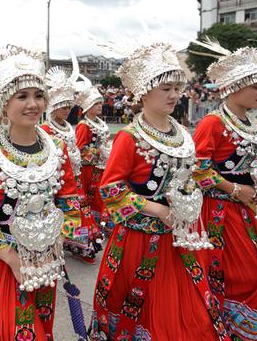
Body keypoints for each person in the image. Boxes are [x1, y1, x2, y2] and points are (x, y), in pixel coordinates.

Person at [89, 43, 223, 340]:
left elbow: (190, 177)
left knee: (185, 315)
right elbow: (110, 190)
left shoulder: (182, 133)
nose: (175, 95)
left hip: (179, 238)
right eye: (165, 88)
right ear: (144, 92)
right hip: (139, 240)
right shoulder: (129, 137)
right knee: (147, 313)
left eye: (177, 87)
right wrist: (157, 209)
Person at [0, 42, 83, 340]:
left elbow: (70, 205)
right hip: (5, 261)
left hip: (47, 259)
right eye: (22, 96)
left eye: (38, 95)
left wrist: (54, 243)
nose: (32, 104)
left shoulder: (57, 147)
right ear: (3, 104)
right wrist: (14, 260)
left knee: (43, 324)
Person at [191, 39, 257, 340]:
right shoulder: (212, 123)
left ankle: (232, 328)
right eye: (256, 86)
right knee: (240, 274)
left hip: (246, 210)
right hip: (218, 213)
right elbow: (196, 170)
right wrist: (234, 189)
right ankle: (221, 327)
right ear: (234, 86)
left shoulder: (251, 124)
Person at [41, 57, 102, 264]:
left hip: (73, 176)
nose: (66, 110)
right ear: (52, 107)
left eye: (68, 106)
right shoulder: (46, 129)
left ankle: (80, 244)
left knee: (78, 208)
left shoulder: (69, 127)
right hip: (55, 177)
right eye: (62, 106)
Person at [75, 79, 112, 234]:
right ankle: (93, 227)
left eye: (100, 103)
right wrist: (98, 152)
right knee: (94, 197)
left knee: (101, 196)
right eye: (96, 104)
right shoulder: (84, 125)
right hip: (89, 169)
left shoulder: (100, 123)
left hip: (102, 166)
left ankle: (101, 224)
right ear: (88, 107)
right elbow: (79, 149)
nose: (100, 106)